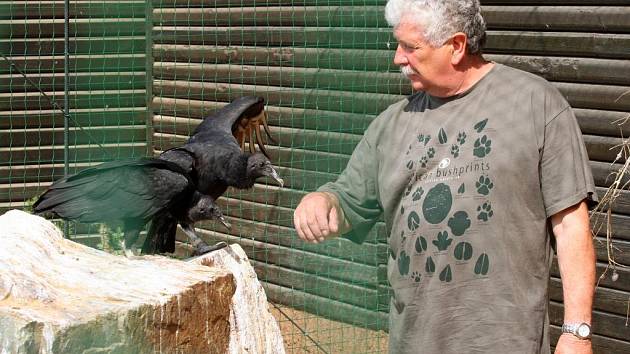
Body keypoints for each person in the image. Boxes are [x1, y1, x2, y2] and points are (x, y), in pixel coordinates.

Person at [293, 0, 597, 353]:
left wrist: (576, 333)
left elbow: (571, 224)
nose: (398, 58)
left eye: (410, 47)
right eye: (398, 45)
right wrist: (322, 202)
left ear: (456, 46)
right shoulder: (392, 124)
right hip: (416, 342)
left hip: (506, 343)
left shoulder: (535, 104)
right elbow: (346, 201)